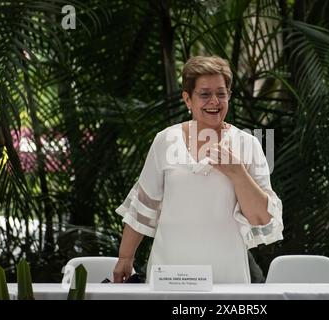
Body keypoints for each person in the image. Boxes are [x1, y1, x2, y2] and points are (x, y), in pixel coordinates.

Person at [113, 56, 283, 283]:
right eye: (204, 94)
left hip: (227, 275)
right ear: (187, 99)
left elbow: (261, 217)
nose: (214, 101)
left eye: (221, 94)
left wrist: (237, 172)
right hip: (169, 275)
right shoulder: (165, 140)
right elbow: (144, 205)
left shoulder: (247, 144)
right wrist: (125, 257)